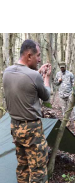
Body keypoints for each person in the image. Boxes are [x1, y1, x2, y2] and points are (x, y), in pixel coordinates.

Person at [3, 39, 51, 183]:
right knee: (38, 169)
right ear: (29, 56)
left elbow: (24, 79)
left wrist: (38, 71)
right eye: (38, 55)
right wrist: (46, 77)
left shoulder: (7, 72)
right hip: (32, 129)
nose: (39, 59)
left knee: (22, 166)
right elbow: (46, 96)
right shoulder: (34, 76)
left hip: (15, 126)